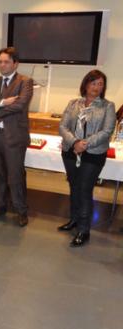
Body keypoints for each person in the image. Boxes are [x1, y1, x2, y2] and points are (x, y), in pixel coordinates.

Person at [58, 70, 115, 247]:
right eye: (93, 83)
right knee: (74, 186)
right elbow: (63, 126)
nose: (96, 87)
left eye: (100, 84)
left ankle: (84, 229)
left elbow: (107, 131)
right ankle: (74, 219)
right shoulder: (73, 103)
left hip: (93, 153)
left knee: (84, 189)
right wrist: (74, 142)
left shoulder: (107, 106)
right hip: (70, 151)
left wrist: (84, 144)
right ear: (85, 84)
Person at [0, 47, 33, 227]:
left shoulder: (25, 82)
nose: (2, 65)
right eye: (0, 61)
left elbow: (20, 105)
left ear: (15, 63)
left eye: (6, 61)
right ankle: (0, 205)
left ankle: (21, 210)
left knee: (15, 175)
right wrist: (2, 102)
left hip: (14, 136)